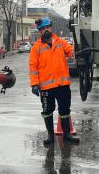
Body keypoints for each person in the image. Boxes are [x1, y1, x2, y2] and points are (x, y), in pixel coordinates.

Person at [29, 18, 79, 146]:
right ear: (39, 31)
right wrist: (34, 84)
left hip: (62, 85)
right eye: (42, 29)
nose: (45, 30)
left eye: (47, 28)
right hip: (46, 87)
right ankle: (50, 136)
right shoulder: (36, 47)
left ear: (50, 28)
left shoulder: (61, 42)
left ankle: (67, 134)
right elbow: (33, 67)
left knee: (64, 110)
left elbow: (72, 52)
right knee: (47, 111)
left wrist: (77, 51)